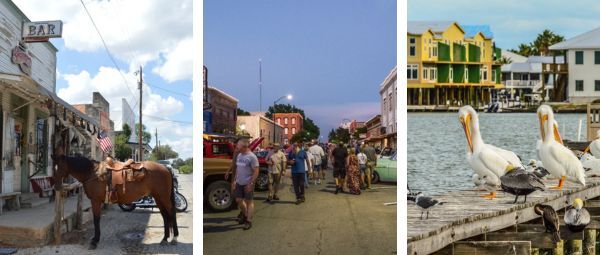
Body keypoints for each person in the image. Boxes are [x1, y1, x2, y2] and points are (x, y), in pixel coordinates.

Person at [231, 138, 260, 230]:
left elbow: (256, 171)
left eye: (238, 145)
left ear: (243, 146)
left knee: (249, 202)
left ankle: (248, 221)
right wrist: (235, 180)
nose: (236, 147)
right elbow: (238, 170)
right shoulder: (239, 155)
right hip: (239, 182)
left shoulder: (252, 157)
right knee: (238, 200)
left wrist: (251, 183)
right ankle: (245, 214)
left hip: (248, 183)